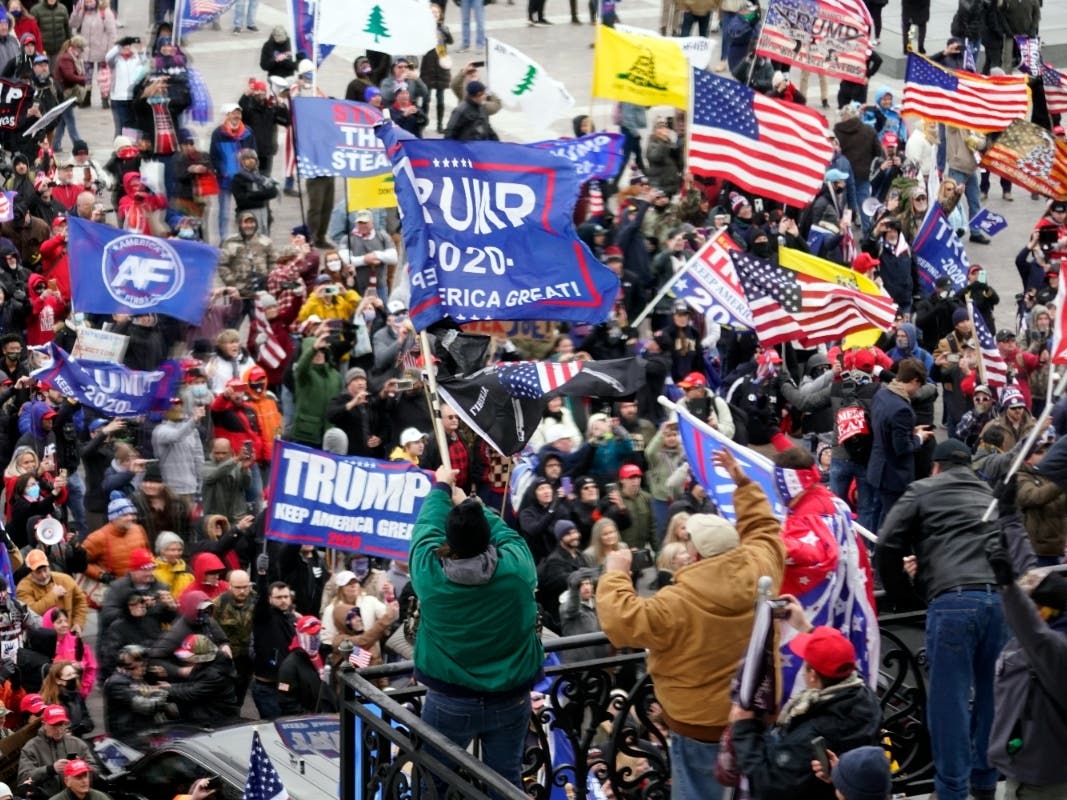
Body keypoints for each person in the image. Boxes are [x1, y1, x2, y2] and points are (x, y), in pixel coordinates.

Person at [596, 449, 785, 800]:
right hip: (757, 715)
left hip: (699, 727)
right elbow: (764, 528)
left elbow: (621, 623)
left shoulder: (676, 602)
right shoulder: (763, 567)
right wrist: (742, 483)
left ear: (696, 554)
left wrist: (616, 575)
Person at [876, 438, 1004, 800]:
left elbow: (887, 544)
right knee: (992, 699)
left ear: (935, 466)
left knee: (949, 704)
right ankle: (985, 782)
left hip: (954, 601)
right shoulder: (987, 493)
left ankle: (951, 790)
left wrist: (904, 594)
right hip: (1000, 601)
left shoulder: (922, 489)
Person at [410, 465, 544, 794]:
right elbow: (509, 536)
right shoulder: (516, 570)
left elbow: (424, 529)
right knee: (504, 784)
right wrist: (477, 508)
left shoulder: (430, 574)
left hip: (450, 699)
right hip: (510, 697)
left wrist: (441, 487)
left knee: (432, 784)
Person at [731, 613, 882, 799]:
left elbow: (768, 784)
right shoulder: (865, 696)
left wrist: (744, 729)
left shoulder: (809, 735)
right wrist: (807, 628)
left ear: (812, 675)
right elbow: (838, 661)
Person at [985, 504, 1067, 799]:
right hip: (1027, 773)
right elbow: (1031, 574)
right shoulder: (1051, 621)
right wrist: (1009, 518)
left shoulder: (1054, 649)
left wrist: (1007, 588)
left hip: (1045, 783)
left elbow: (1032, 630)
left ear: (1044, 612)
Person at [867, 357, 935, 527]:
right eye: (919, 386)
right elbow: (903, 448)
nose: (917, 390)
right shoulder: (902, 409)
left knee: (877, 515)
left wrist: (908, 431)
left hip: (877, 469)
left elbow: (883, 428)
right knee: (893, 522)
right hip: (893, 476)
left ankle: (871, 548)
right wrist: (919, 437)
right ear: (914, 381)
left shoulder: (881, 393)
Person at [17, 704, 94, 798]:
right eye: (54, 725)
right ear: (44, 724)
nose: (58, 729)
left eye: (61, 724)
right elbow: (23, 778)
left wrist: (80, 767)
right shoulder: (31, 748)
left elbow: (95, 771)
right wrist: (51, 769)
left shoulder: (77, 744)